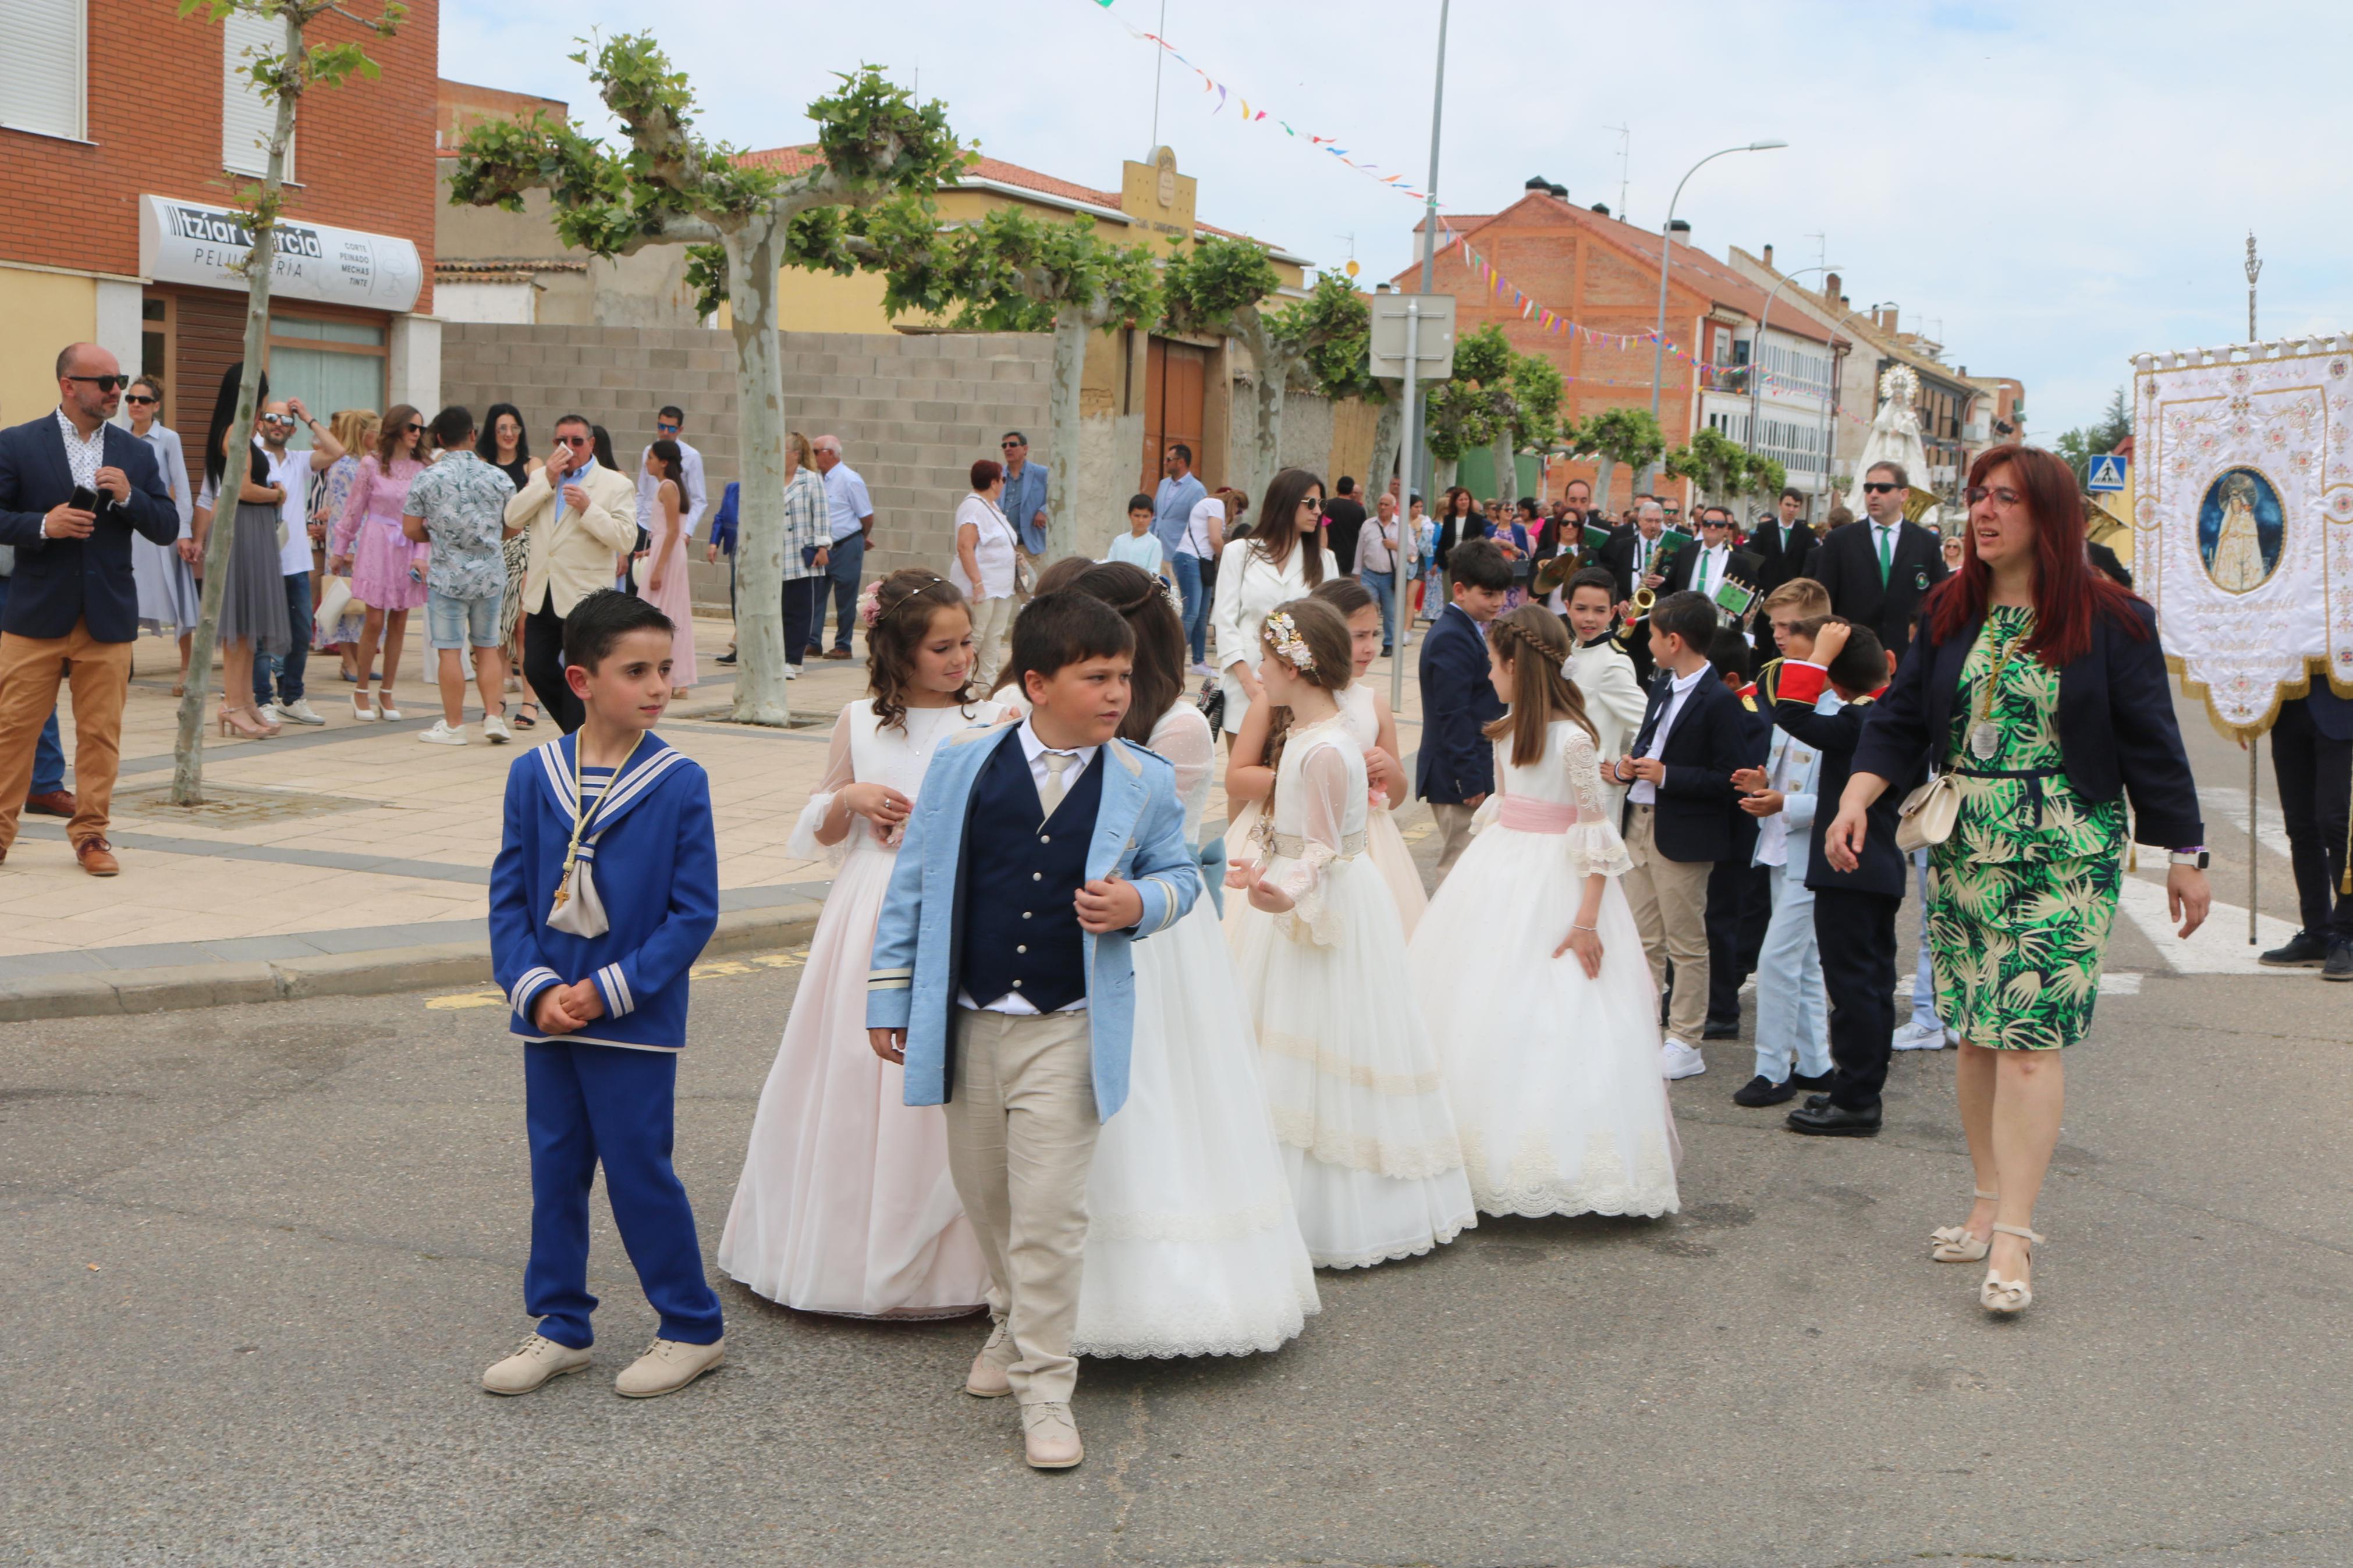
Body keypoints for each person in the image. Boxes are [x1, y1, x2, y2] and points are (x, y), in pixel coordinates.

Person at [1822, 444, 2209, 1314]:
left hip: (2065, 849)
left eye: (2004, 498)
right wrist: (1855, 798)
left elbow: (2151, 742)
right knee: (1974, 1033)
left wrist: (2186, 855)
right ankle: (1986, 1199)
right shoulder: (1948, 607)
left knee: (2028, 1037)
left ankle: (2014, 1235)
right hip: (1966, 843)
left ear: (2049, 515)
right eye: (1976, 497)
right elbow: (1895, 717)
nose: (1983, 513)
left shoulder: (2112, 618)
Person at [865, 590, 1200, 1470]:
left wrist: (1140, 902)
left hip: (1069, 1024)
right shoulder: (963, 765)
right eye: (1096, 676)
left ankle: (1046, 1384)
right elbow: (915, 883)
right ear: (1037, 682)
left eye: (1124, 676)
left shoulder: (1141, 779)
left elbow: (1184, 875)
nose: (1115, 692)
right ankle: (1009, 1316)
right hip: (969, 1021)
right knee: (987, 1197)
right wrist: (890, 995)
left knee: (1049, 1211)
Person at [1048, 561, 1319, 1361]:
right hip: (1077, 916)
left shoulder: (1177, 723)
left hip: (1151, 929)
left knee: (1154, 1096)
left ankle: (1151, 1292)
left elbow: (1135, 837)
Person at [719, 570, 997, 1318]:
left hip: (953, 907)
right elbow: (823, 819)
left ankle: (958, 1264)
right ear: (898, 654)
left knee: (950, 1078)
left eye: (966, 642)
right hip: (868, 910)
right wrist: (850, 798)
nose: (959, 659)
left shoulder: (996, 719)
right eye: (941, 647)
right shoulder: (859, 722)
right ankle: (840, 1253)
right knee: (847, 1070)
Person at [482, 589, 726, 1398]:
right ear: (581, 678)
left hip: (633, 1019)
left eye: (664, 666)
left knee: (637, 1169)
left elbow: (693, 913)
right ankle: (560, 1324)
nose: (657, 684)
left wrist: (607, 990)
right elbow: (509, 894)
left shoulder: (678, 780)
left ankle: (690, 1324)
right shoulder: (533, 774)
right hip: (549, 1012)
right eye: (637, 670)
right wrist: (536, 986)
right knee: (554, 1170)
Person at [1226, 597, 1477, 1269]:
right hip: (1307, 883)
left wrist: (1283, 886)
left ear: (1294, 667)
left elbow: (1324, 849)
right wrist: (1257, 863)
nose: (1261, 673)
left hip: (1326, 897)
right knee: (1293, 1027)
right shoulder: (1314, 735)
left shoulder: (1326, 747)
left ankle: (1330, 1200)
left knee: (1322, 1028)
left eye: (1269, 662)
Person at [1412, 606, 1680, 1219]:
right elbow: (1505, 807)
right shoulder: (1505, 731)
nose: (1487, 671)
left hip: (1561, 882)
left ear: (1515, 664)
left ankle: (1558, 1161)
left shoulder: (1575, 739)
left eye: (1493, 662)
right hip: (1501, 871)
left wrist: (1586, 920)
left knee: (1558, 1012)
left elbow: (1594, 833)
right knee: (1485, 1005)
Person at [0, 343, 176, 874]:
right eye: (104, 382)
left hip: (107, 616)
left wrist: (130, 497)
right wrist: (41, 526)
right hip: (34, 615)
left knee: (101, 734)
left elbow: (167, 527)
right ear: (68, 385)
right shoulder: (17, 443)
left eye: (118, 381)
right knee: (13, 729)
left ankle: (92, 836)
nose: (116, 391)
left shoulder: (136, 453)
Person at [1606, 589, 1751, 1082]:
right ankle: (1643, 1027)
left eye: (1651, 634)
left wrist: (1668, 776)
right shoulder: (1664, 686)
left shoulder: (1719, 701)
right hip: (1641, 822)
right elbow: (1650, 741)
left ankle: (1686, 1038)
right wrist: (1632, 765)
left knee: (1686, 941)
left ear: (1674, 639)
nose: (1647, 642)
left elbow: (1728, 777)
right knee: (1642, 936)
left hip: (1683, 832)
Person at [1727, 586, 1838, 1108]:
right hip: (1777, 844)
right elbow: (1786, 762)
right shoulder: (1786, 689)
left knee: (1775, 959)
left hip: (1812, 849)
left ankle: (1773, 1071)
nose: (1777, 638)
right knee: (1806, 957)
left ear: (1818, 631)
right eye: (1773, 628)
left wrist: (1783, 805)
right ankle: (1815, 1063)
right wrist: (1760, 780)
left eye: (1787, 628)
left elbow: (1846, 795)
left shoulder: (1838, 701)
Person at [505, 415, 640, 735]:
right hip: (543, 594)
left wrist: (590, 509)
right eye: (560, 441)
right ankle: (577, 731)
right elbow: (512, 517)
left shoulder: (615, 483)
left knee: (580, 674)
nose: (569, 448)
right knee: (536, 668)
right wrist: (545, 481)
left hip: (586, 598)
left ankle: (579, 738)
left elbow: (625, 539)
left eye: (577, 441)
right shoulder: (542, 478)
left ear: (591, 444)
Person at [400, 406, 518, 746]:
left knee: (449, 651)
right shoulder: (498, 477)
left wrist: (438, 537)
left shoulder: (427, 477)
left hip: (447, 575)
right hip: (489, 575)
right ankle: (494, 717)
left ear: (439, 439)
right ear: (473, 435)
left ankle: (454, 725)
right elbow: (515, 525)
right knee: (488, 648)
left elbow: (411, 529)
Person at [196, 369, 296, 741]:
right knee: (239, 625)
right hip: (242, 529)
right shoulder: (235, 433)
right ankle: (233, 704)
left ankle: (244, 701)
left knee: (246, 629)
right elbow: (241, 489)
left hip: (251, 529)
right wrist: (277, 495)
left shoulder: (238, 430)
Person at [1208, 467, 1337, 744]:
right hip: (1245, 684)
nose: (1318, 512)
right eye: (1311, 503)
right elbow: (1225, 621)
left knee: (1292, 779)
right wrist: (1248, 684)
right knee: (1246, 780)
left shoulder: (1325, 561)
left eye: (1322, 504)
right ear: (1285, 502)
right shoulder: (1239, 553)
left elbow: (1332, 630)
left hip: (1303, 689)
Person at [1415, 538, 1512, 880]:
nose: (1498, 603)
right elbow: (1452, 714)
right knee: (1459, 869)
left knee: (1474, 867)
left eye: (1501, 593)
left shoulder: (1466, 629)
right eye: (1489, 594)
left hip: (1467, 770)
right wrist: (1469, 780)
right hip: (1457, 777)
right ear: (1460, 590)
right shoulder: (1450, 637)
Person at [327, 401, 430, 721]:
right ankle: (360, 691)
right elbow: (354, 508)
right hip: (376, 543)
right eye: (412, 427)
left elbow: (428, 517)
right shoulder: (371, 464)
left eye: (421, 429)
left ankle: (387, 692)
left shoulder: (422, 467)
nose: (417, 434)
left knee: (399, 620)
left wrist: (422, 555)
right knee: (374, 619)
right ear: (397, 428)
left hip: (409, 544)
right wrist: (339, 548)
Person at [250, 396, 343, 727]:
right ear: (260, 421)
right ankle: (261, 700)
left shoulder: (298, 460)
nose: (279, 425)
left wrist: (308, 417)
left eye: (286, 421)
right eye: (272, 418)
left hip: (296, 561)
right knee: (261, 637)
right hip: (260, 559)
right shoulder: (251, 456)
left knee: (301, 633)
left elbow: (337, 452)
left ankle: (291, 696)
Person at [1700, 625, 1773, 1040]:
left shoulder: (1748, 713)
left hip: (1736, 828)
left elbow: (1738, 773)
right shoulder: (1744, 704)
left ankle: (1722, 1006)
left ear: (1729, 680)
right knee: (1716, 915)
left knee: (1721, 917)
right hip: (1732, 827)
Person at [1812, 460, 1948, 659]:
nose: (1873, 494)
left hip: (1908, 654)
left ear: (1904, 494)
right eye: (1868, 488)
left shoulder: (1926, 541)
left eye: (1883, 488)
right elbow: (1824, 599)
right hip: (1852, 653)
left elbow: (1938, 597)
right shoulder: (1839, 540)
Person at [2261, 688, 2353, 978]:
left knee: (2338, 825)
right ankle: (2318, 932)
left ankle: (2348, 935)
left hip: (2344, 703)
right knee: (2301, 826)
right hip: (2289, 705)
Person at [125, 375, 199, 699]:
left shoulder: (168, 439)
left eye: (143, 400)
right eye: (131, 399)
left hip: (160, 527)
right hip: (127, 529)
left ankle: (187, 666)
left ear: (156, 405)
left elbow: (182, 488)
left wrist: (183, 532)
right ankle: (122, 665)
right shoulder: (117, 438)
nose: (136, 405)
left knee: (176, 595)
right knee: (125, 593)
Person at [1562, 567, 1646, 820]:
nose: (1589, 619)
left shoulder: (1614, 663)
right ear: (1567, 607)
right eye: (1581, 609)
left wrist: (1625, 766)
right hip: (1561, 781)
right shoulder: (1568, 650)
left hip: (1595, 787)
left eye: (1599, 611)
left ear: (1612, 613)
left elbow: (1647, 723)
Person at [480, 404, 544, 728]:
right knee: (495, 629)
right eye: (503, 428)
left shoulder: (532, 466)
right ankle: (496, 701)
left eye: (514, 428)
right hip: (492, 550)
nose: (509, 434)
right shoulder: (482, 465)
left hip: (527, 548)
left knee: (523, 626)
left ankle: (530, 701)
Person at [949, 458, 1018, 692]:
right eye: (1003, 479)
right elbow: (965, 547)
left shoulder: (991, 506)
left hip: (1000, 588)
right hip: (982, 588)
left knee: (993, 640)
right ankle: (959, 689)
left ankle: (984, 692)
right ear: (994, 482)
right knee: (975, 639)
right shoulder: (974, 507)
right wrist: (977, 583)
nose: (1004, 483)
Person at [636, 439, 698, 694]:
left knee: (665, 612)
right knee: (666, 611)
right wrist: (652, 550)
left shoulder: (668, 487)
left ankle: (675, 677)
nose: (646, 462)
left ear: (663, 462)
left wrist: (659, 567)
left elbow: (674, 530)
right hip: (666, 549)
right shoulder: (666, 486)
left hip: (669, 555)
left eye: (650, 457)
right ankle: (671, 676)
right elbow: (667, 531)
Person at [811, 435, 872, 661]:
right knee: (816, 595)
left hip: (846, 545)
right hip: (821, 547)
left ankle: (843, 645)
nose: (813, 456)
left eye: (816, 451)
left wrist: (860, 538)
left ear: (830, 453)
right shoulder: (815, 480)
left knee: (845, 599)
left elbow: (867, 516)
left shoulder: (850, 479)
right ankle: (812, 641)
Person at [779, 431, 831, 680]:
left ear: (795, 454)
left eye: (783, 450)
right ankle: (779, 657)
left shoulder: (810, 480)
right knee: (777, 608)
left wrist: (823, 547)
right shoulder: (772, 479)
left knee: (798, 609)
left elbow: (821, 515)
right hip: (777, 554)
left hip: (801, 554)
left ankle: (793, 658)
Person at [635, 405, 706, 564]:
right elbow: (642, 491)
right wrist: (635, 521)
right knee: (634, 580)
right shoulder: (649, 451)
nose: (665, 432)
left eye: (671, 428)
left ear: (680, 429)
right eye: (662, 426)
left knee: (662, 579)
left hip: (670, 531)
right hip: (644, 525)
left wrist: (687, 532)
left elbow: (699, 500)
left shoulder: (692, 456)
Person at [1665, 505, 1762, 620]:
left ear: (1726, 528)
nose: (1712, 527)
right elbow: (1668, 586)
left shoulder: (1740, 562)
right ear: (1701, 526)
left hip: (1718, 626)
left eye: (1719, 524)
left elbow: (1747, 597)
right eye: (1708, 523)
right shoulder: (1685, 551)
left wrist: (1736, 612)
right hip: (1683, 621)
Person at [1174, 484, 1233, 672]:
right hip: (1190, 559)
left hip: (1202, 562)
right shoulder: (1216, 504)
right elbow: (1216, 540)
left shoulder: (1212, 505)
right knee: (1191, 613)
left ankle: (1199, 662)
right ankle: (1170, 658)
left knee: (1202, 615)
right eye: (1238, 511)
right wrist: (1231, 556)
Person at [1152, 442, 1208, 617]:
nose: (1165, 463)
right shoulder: (1163, 484)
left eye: (1169, 459)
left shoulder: (1196, 489)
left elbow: (1197, 524)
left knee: (1177, 600)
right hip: (1158, 550)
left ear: (1181, 462)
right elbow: (1157, 516)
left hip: (1179, 553)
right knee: (1157, 598)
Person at [1748, 487, 1816, 624]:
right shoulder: (1764, 529)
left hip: (1793, 596)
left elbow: (1809, 565)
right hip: (1766, 594)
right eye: (1788, 505)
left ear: (1800, 508)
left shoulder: (1806, 533)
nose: (1791, 509)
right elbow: (1756, 562)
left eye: (1796, 506)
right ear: (1780, 504)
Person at [1355, 490, 1403, 656]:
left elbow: (1413, 550)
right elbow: (1360, 550)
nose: (1382, 508)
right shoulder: (1368, 525)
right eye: (1380, 504)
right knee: (1368, 609)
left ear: (1393, 508)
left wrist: (1395, 545)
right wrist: (1357, 572)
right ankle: (1366, 641)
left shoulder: (1402, 526)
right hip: (1369, 574)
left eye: (1386, 505)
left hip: (1390, 576)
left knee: (1390, 612)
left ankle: (1389, 643)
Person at [998, 430, 1050, 565]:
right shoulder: (998, 474)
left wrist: (1044, 511)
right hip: (1001, 546)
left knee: (1026, 585)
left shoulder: (1041, 473)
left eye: (1013, 444)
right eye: (1005, 446)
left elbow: (1058, 497)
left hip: (1026, 546)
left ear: (1025, 449)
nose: (1008, 448)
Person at [1320, 475, 1367, 574]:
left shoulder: (1327, 506)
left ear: (1337, 488)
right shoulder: (1359, 509)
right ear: (1351, 491)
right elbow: (1363, 533)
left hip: (1329, 552)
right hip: (1350, 556)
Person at [1106, 493, 1163, 573]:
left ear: (1152, 517)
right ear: (1129, 515)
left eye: (1145, 516)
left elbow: (1153, 572)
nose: (1141, 520)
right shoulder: (1119, 541)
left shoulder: (1155, 544)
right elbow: (1109, 565)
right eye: (1137, 516)